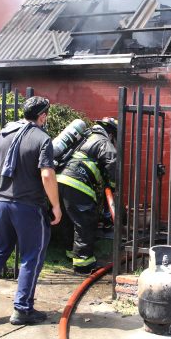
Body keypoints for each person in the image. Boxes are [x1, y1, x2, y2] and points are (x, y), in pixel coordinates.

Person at [0, 96, 62, 325]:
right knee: (31, 256)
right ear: (42, 116)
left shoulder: (3, 134)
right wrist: (56, 206)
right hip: (28, 207)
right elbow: (47, 174)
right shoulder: (43, 138)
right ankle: (22, 309)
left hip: (2, 203)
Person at [56, 117, 118, 274]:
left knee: (69, 220)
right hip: (78, 183)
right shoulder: (102, 140)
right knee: (85, 222)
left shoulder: (85, 137)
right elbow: (113, 162)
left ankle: (71, 252)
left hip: (60, 181)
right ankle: (83, 264)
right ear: (110, 133)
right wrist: (113, 184)